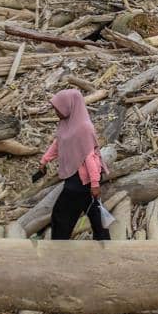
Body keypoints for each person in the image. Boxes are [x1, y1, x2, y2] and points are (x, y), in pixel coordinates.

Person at [35, 88, 111, 240]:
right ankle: (103, 241)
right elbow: (59, 143)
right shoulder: (66, 123)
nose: (56, 112)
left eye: (58, 108)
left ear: (69, 106)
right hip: (76, 177)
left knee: (61, 214)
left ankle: (59, 245)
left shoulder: (84, 128)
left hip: (82, 180)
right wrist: (44, 160)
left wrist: (95, 184)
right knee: (93, 210)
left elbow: (90, 157)